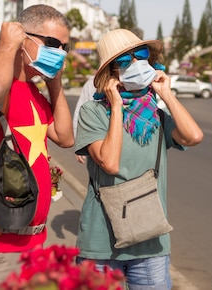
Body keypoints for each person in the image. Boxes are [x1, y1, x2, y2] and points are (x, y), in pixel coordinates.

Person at [0, 4, 74, 289]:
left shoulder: (34, 93)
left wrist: (54, 82)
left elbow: (66, 137)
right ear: (22, 37)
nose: (60, 53)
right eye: (53, 44)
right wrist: (7, 44)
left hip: (33, 243)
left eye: (65, 47)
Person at [74, 29, 203, 289]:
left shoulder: (155, 114)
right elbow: (110, 163)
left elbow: (194, 136)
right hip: (101, 245)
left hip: (150, 241)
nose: (135, 64)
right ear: (111, 73)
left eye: (140, 56)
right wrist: (117, 107)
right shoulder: (94, 112)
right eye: (123, 61)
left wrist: (166, 94)